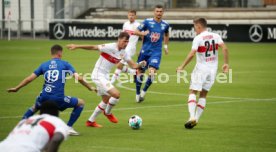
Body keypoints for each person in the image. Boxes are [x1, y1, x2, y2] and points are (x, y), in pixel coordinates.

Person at [7, 44, 96, 135]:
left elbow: (29, 79)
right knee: (81, 103)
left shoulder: (44, 65)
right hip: (58, 98)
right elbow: (79, 78)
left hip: (44, 96)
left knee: (34, 107)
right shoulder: (65, 64)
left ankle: (20, 126)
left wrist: (17, 88)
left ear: (51, 53)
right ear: (60, 53)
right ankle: (68, 127)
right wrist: (90, 87)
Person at [67, 32, 146, 128]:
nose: (126, 44)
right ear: (119, 39)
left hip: (105, 76)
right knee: (116, 94)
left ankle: (90, 121)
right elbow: (93, 47)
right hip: (97, 75)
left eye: (127, 42)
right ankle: (107, 112)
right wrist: (77, 46)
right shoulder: (110, 47)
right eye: (124, 41)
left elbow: (133, 65)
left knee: (105, 100)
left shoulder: (123, 53)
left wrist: (141, 64)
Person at [176, 18, 229, 129]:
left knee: (192, 91)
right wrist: (226, 64)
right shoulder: (216, 36)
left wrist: (182, 66)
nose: (194, 29)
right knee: (203, 94)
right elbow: (225, 48)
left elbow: (191, 54)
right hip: (212, 70)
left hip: (201, 69)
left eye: (195, 27)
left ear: (199, 26)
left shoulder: (198, 38)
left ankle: (191, 117)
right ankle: (197, 119)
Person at [134, 5, 170, 102]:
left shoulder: (165, 24)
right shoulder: (147, 22)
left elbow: (166, 34)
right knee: (140, 73)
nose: (159, 13)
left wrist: (165, 46)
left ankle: (143, 92)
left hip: (156, 52)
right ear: (154, 12)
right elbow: (136, 31)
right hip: (145, 51)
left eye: (160, 11)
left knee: (152, 72)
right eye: (157, 11)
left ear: (163, 13)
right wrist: (142, 34)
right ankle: (137, 94)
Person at [0, 101, 69, 152]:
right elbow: (56, 139)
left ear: (40, 113)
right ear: (57, 113)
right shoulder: (56, 121)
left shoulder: (25, 121)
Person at [110, 9, 141, 84]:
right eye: (130, 15)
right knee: (118, 65)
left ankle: (111, 83)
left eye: (133, 15)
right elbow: (122, 36)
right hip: (124, 48)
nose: (131, 17)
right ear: (128, 15)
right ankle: (134, 72)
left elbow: (143, 37)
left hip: (131, 48)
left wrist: (141, 49)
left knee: (119, 65)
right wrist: (118, 44)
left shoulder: (138, 25)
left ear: (135, 16)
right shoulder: (125, 24)